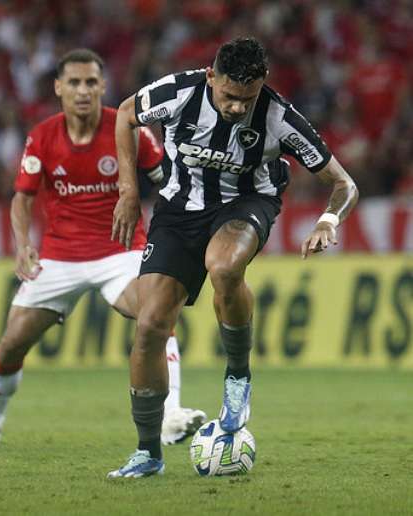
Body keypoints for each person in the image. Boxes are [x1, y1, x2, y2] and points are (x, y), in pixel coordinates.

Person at [107, 37, 359, 478]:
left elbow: (344, 183)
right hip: (178, 210)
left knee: (223, 266)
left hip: (245, 204)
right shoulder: (180, 93)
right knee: (150, 326)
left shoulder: (279, 117)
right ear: (211, 77)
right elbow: (126, 113)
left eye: (249, 97)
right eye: (229, 96)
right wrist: (129, 190)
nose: (239, 107)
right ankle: (148, 452)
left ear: (262, 86)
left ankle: (237, 378)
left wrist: (327, 222)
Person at [0, 49, 205, 449]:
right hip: (59, 257)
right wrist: (22, 246)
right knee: (13, 342)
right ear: (58, 88)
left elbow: (167, 182)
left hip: (121, 250)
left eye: (91, 82)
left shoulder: (131, 130)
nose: (83, 91)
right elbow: (22, 198)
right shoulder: (42, 136)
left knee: (153, 314)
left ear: (104, 87)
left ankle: (171, 415)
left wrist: (179, 235)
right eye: (74, 82)